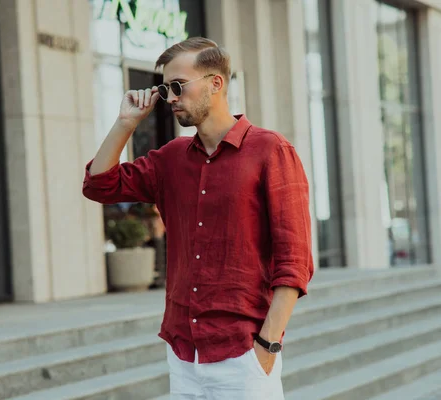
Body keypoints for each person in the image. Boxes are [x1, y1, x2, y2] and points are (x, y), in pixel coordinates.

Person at [82, 37, 314, 399]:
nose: (171, 97)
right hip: (183, 356)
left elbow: (295, 261)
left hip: (243, 357)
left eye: (178, 86)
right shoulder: (170, 159)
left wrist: (267, 347)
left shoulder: (271, 151)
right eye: (165, 87)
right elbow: (99, 186)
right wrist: (125, 123)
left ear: (215, 83)